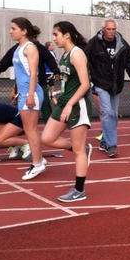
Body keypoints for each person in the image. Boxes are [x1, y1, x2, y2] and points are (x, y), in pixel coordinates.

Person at [41, 21, 92, 202]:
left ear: (67, 35)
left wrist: (70, 103)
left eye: (56, 34)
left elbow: (85, 84)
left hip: (78, 105)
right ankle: (83, 149)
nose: (53, 38)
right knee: (47, 138)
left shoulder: (77, 54)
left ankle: (79, 190)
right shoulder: (64, 55)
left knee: (78, 151)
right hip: (65, 102)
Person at [85, 18, 130, 158]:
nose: (111, 32)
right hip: (101, 83)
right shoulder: (94, 43)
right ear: (103, 29)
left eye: (113, 29)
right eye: (109, 29)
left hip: (116, 84)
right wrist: (87, 79)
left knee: (113, 114)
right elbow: (84, 60)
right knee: (107, 112)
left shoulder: (122, 43)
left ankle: (104, 141)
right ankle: (111, 145)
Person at [0, 34, 60, 123]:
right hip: (23, 86)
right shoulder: (17, 49)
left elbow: (50, 60)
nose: (10, 32)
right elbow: (5, 62)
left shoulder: (38, 48)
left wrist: (56, 71)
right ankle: (20, 125)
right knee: (23, 111)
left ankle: (48, 126)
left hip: (39, 83)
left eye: (14, 29)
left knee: (45, 108)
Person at [9, 17, 47, 180]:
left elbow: (33, 73)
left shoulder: (30, 48)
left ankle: (37, 164)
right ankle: (39, 159)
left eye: (14, 28)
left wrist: (30, 94)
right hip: (23, 92)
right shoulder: (19, 48)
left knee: (30, 130)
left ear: (24, 31)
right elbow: (20, 73)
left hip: (31, 93)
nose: (10, 31)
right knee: (30, 129)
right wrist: (16, 90)